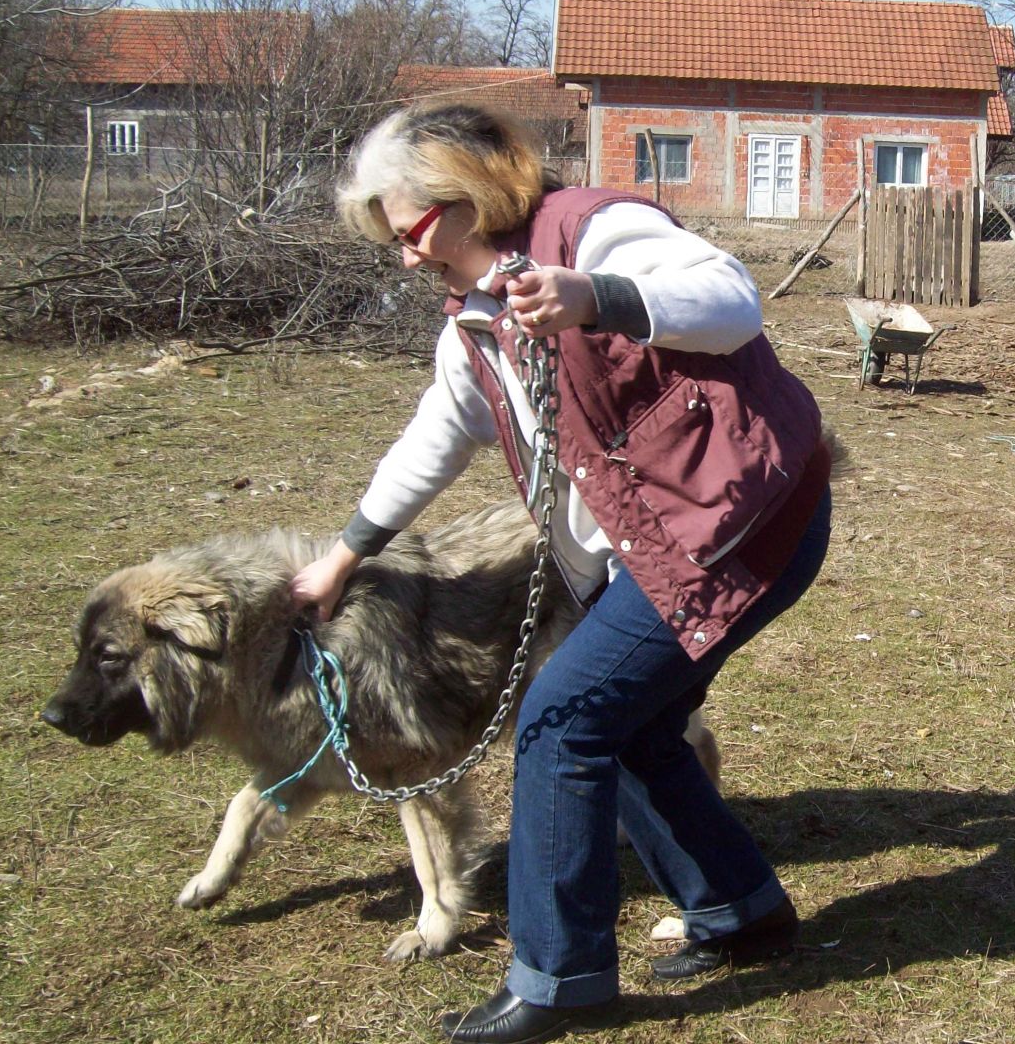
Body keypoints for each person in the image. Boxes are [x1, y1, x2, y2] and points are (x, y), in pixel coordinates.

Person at [289, 103, 831, 1044]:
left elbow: (731, 297)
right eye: (392, 241)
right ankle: (741, 909)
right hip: (665, 545)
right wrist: (344, 553)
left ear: (466, 195)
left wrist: (595, 296)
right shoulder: (473, 314)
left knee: (563, 718)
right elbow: (438, 435)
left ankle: (559, 980)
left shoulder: (595, 228)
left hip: (740, 525)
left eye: (410, 230)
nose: (407, 256)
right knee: (633, 725)